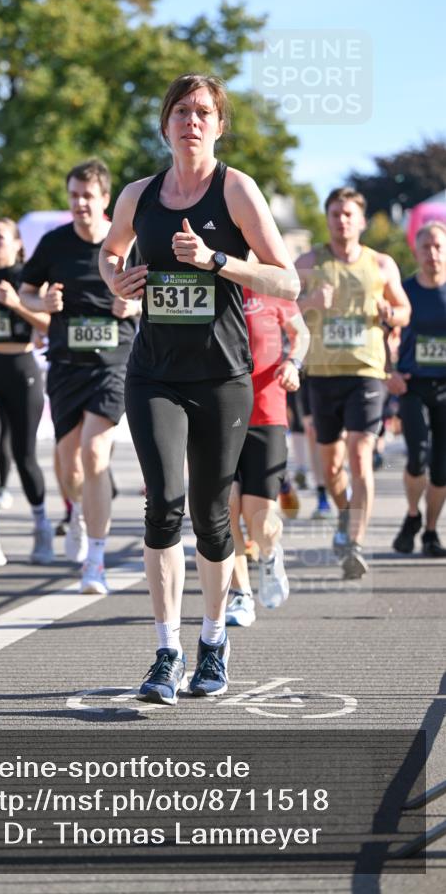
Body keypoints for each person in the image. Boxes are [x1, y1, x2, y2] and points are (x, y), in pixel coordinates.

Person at [99, 73, 300, 705]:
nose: (191, 121)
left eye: (204, 112)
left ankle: (213, 639)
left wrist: (216, 261)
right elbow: (110, 251)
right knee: (163, 505)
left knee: (214, 518)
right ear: (164, 125)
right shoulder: (139, 194)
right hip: (154, 372)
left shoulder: (235, 189)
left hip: (221, 376)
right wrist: (118, 280)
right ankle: (166, 651)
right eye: (181, 111)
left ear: (218, 126)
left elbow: (287, 281)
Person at [20, 159, 141, 594]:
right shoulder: (54, 244)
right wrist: (42, 303)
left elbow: (158, 292)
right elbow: (24, 290)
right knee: (68, 463)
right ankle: (74, 510)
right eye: (73, 196)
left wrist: (135, 306)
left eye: (88, 196)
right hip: (67, 363)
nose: (80, 204)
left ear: (106, 199)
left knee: (94, 454)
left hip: (113, 362)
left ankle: (95, 560)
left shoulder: (128, 242)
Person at [295, 187, 411, 579]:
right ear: (326, 219)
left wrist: (389, 312)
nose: (341, 220)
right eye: (335, 214)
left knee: (360, 455)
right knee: (331, 469)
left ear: (361, 221)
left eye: (348, 214)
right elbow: (280, 306)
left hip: (366, 373)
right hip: (322, 375)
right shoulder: (309, 262)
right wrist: (309, 304)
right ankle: (346, 515)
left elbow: (404, 312)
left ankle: (355, 543)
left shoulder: (381, 265)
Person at [0, 217, 53, 569]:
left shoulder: (28, 281)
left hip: (22, 372)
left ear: (18, 243)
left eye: (0, 237)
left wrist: (18, 304)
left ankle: (41, 526)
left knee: (24, 455)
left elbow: (49, 327)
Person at [226, 288, 310, 627]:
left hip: (266, 413)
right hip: (220, 414)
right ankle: (241, 595)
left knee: (258, 517)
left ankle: (271, 554)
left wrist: (293, 362)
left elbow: (300, 332)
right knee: (224, 508)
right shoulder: (212, 279)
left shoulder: (271, 285)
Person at [388, 222, 446, 557]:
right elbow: (380, 334)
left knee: (441, 468)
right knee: (417, 456)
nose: (433, 254)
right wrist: (389, 371)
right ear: (416, 251)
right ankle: (413, 514)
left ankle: (430, 531)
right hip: (413, 384)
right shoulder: (404, 291)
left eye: (438, 247)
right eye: (426, 247)